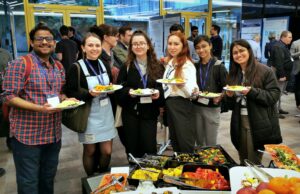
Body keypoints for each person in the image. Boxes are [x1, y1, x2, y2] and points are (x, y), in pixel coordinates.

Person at [1, 25, 67, 193]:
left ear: (54, 42)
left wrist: (65, 99)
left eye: (49, 39)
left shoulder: (58, 66)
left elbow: (58, 93)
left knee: (48, 179)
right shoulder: (20, 64)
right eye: (39, 39)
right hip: (27, 137)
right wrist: (39, 108)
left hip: (53, 135)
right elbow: (8, 96)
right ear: (31, 42)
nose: (44, 42)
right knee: (29, 183)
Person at [65, 32, 117, 175]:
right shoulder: (76, 67)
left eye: (97, 45)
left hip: (106, 113)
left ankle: (102, 176)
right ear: (83, 48)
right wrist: (89, 94)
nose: (94, 48)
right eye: (90, 45)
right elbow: (70, 92)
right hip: (88, 114)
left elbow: (109, 84)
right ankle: (90, 179)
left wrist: (111, 89)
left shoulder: (105, 64)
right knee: (90, 150)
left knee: (107, 151)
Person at [225, 39, 282, 165]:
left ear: (249, 51)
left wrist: (251, 92)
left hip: (258, 120)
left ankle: (254, 183)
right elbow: (230, 105)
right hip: (239, 120)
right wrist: (229, 96)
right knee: (242, 157)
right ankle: (244, 182)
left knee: (253, 160)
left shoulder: (265, 71)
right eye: (235, 53)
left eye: (241, 51)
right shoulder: (234, 74)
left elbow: (274, 96)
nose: (238, 55)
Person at [116, 30, 164, 157]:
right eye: (135, 44)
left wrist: (158, 94)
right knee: (132, 148)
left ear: (148, 45)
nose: (139, 46)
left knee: (149, 147)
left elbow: (163, 87)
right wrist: (128, 92)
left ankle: (149, 174)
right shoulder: (126, 66)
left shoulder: (158, 66)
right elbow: (118, 89)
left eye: (142, 43)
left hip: (149, 112)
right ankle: (134, 173)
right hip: (131, 113)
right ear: (131, 47)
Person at [163, 32, 198, 153]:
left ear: (183, 46)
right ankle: (179, 168)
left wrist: (182, 86)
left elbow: (192, 93)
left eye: (176, 44)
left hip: (182, 105)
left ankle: (189, 169)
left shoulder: (187, 65)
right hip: (170, 104)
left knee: (185, 142)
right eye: (170, 44)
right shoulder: (171, 62)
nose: (172, 47)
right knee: (176, 142)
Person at [192, 35, 228, 146]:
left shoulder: (219, 66)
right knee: (199, 141)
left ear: (210, 46)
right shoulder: (195, 66)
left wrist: (221, 96)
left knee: (210, 142)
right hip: (196, 107)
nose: (201, 50)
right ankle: (200, 163)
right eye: (198, 47)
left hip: (212, 108)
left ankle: (210, 163)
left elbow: (226, 87)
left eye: (204, 46)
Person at [269, 31, 293, 118]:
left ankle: (279, 108)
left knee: (281, 92)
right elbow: (279, 63)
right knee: (277, 92)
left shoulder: (283, 46)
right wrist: (281, 75)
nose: (291, 39)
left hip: (284, 73)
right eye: (289, 37)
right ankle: (275, 111)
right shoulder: (278, 46)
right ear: (283, 37)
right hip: (280, 74)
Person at [0, 42, 13, 149]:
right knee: (6, 114)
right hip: (5, 87)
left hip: (4, 88)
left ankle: (10, 140)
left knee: (6, 114)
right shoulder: (6, 53)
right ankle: (10, 141)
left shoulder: (5, 53)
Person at [290, 38, 300, 111]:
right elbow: (291, 55)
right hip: (298, 70)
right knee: (298, 89)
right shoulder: (296, 43)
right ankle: (298, 104)